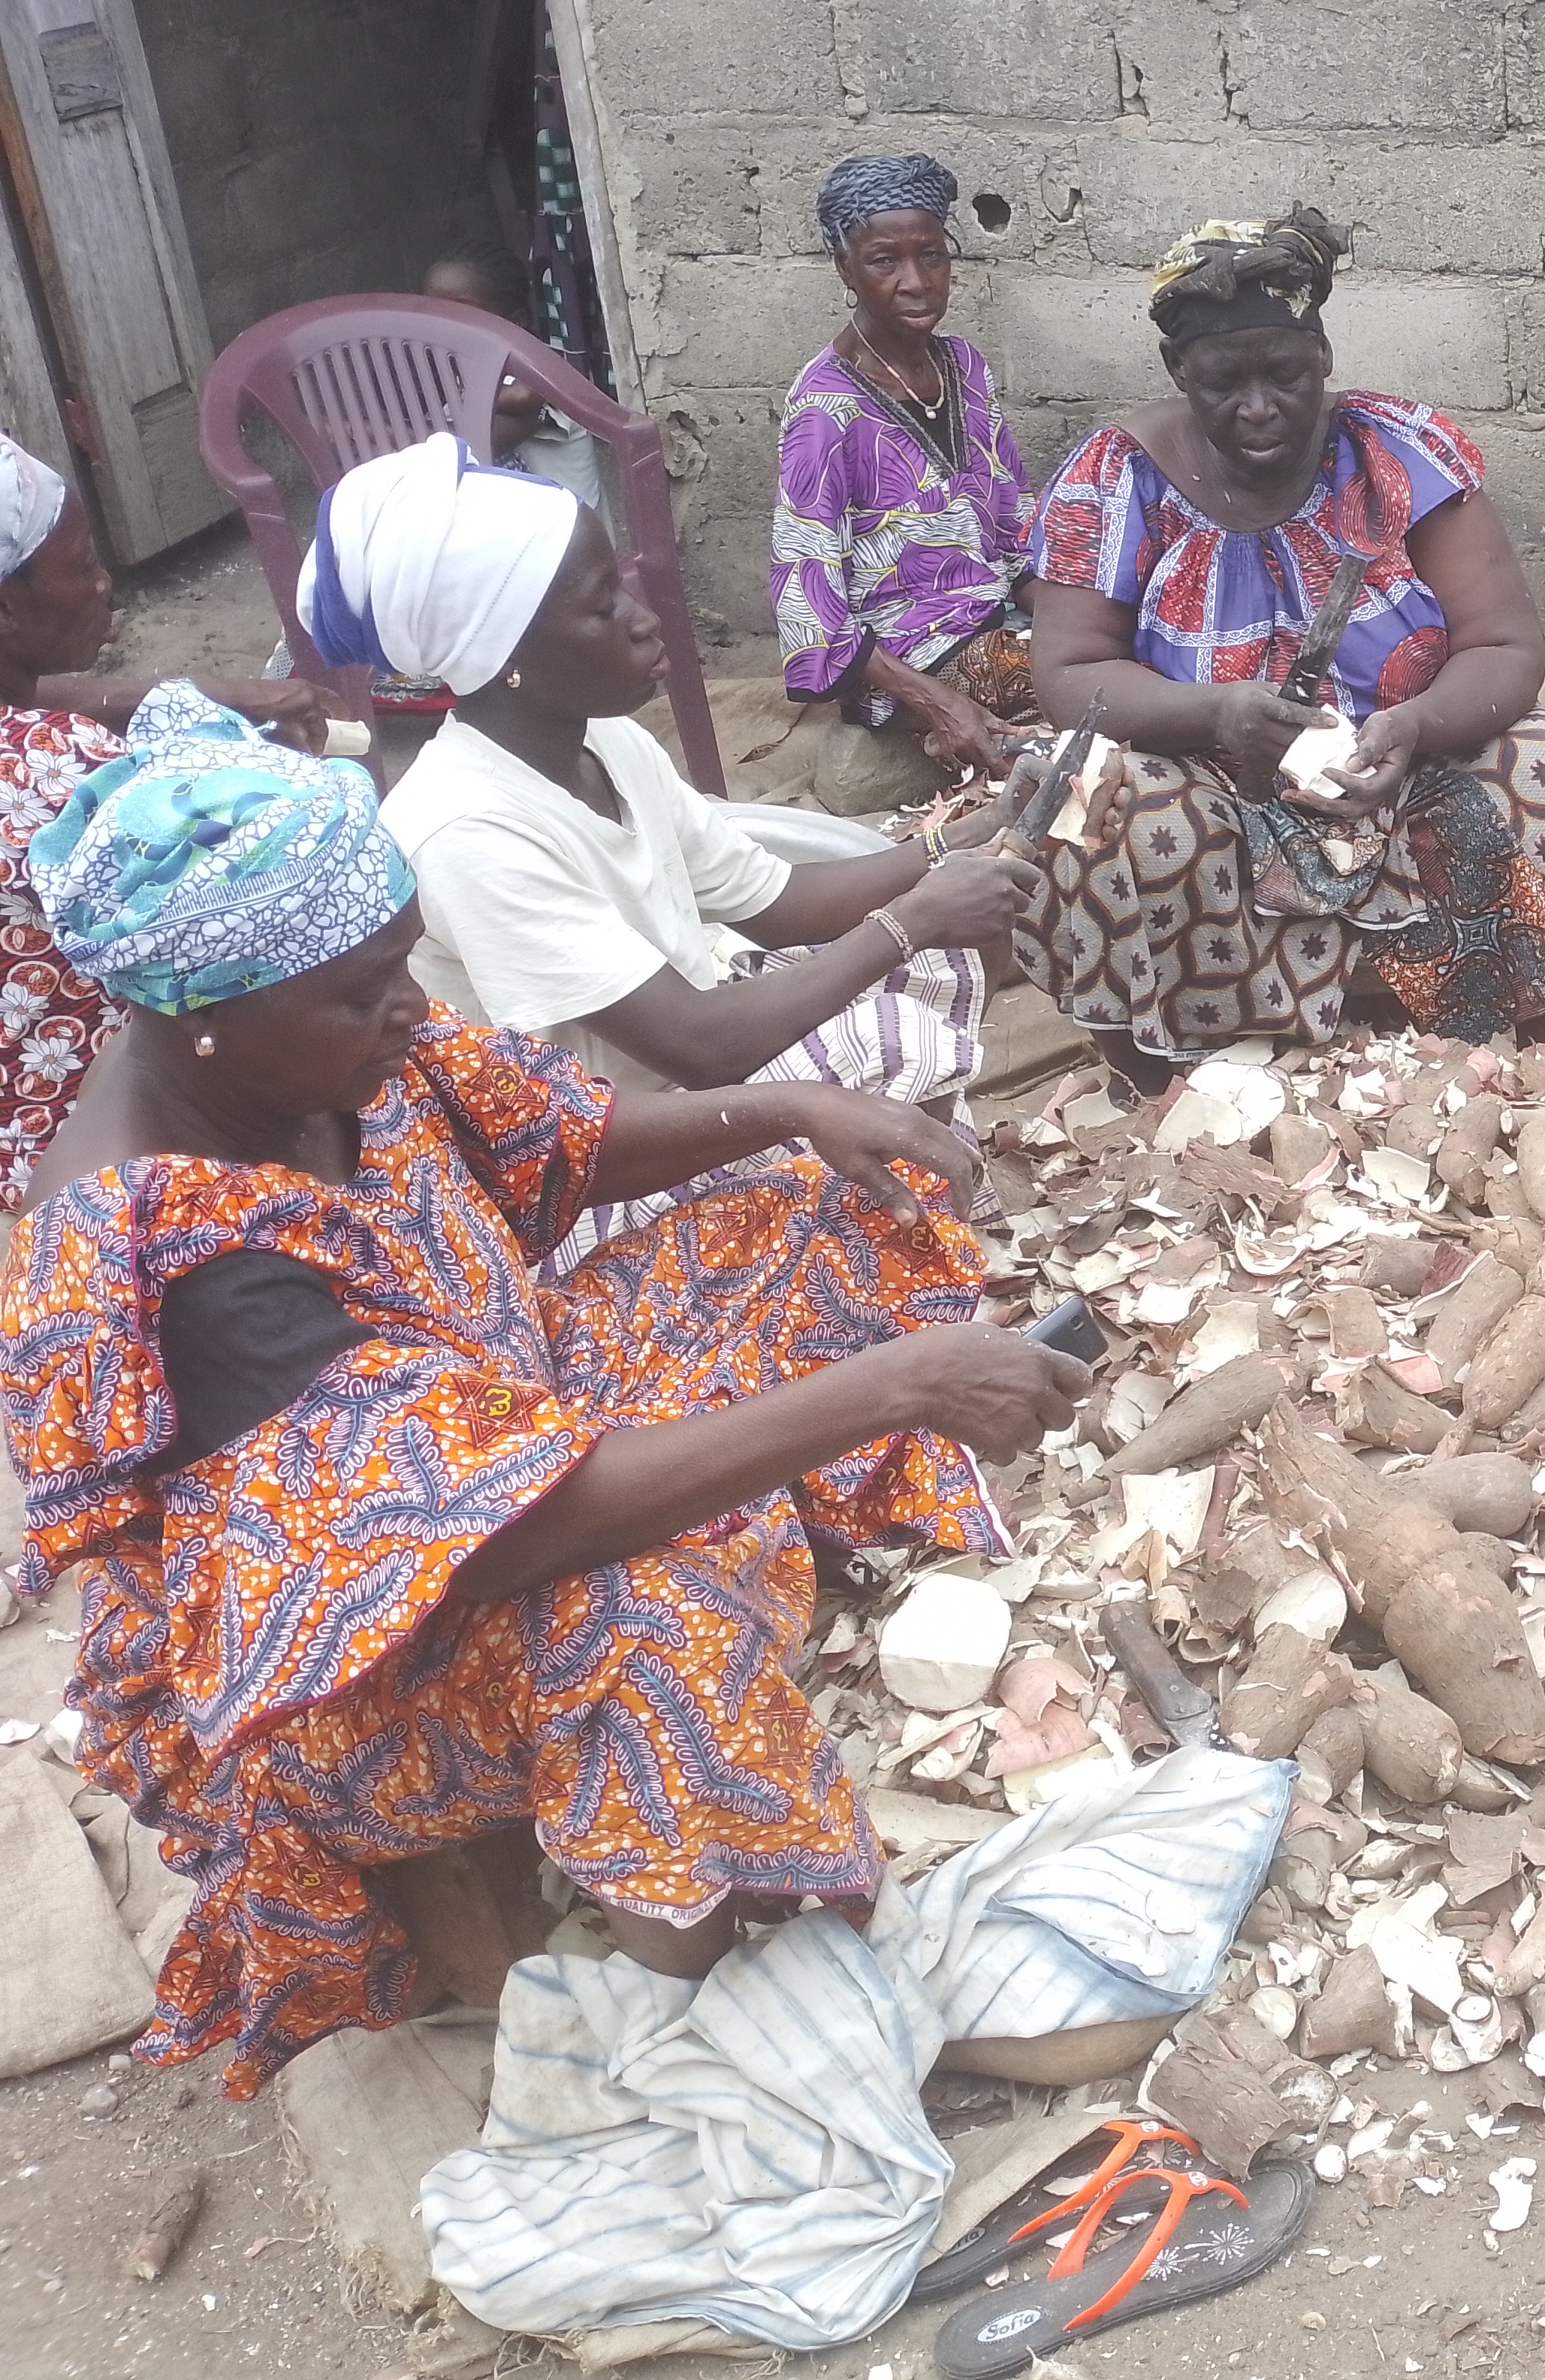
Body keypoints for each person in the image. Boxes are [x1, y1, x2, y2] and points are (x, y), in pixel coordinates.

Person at [0, 684, 1088, 2097]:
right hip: (357, 1659)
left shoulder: (317, 1025)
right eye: (364, 993)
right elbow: (499, 1541)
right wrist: (898, 1387)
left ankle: (768, 1535)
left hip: (508, 1411)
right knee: (643, 1620)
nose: (407, 1008)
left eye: (400, 966)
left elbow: (556, 1137)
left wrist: (786, 1108)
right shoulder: (176, 1254)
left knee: (801, 1211)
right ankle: (676, 2004)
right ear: (196, 1018)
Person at [1015, 208, 1545, 1077]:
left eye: (1288, 377)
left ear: (1325, 358)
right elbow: (1069, 675)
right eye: (1225, 381)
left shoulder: (1397, 454)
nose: (1260, 408)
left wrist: (1414, 728)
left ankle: (1532, 1063)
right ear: (1176, 368)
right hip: (1197, 765)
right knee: (1088, 810)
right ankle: (1166, 1080)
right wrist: (1216, 714)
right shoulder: (1115, 479)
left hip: (1396, 761)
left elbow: (1504, 644)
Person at [339, 438, 1031, 1131]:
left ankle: (908, 1197)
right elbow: (700, 1049)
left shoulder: (602, 737)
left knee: (954, 946)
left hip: (694, 1050)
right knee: (895, 1033)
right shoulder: (467, 831)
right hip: (605, 1146)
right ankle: (903, 1219)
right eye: (603, 605)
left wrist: (968, 835)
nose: (643, 619)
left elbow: (776, 901)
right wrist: (910, 920)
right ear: (505, 657)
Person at [0, 435, 330, 1201]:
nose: (103, 584)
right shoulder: (51, 771)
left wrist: (207, 694)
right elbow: (255, 906)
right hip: (126, 1152)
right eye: (82, 564)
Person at [774, 153, 1037, 775]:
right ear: (846, 267)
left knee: (1128, 638)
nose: (917, 281)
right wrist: (939, 702)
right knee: (1081, 684)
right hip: (907, 654)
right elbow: (804, 598)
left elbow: (1015, 527)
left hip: (999, 616)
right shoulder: (824, 409)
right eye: (885, 261)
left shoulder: (965, 367)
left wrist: (1080, 623)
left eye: (933, 255)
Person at [419, 247, 612, 516]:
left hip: (572, 549)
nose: (443, 324)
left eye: (462, 311)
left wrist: (358, 430)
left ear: (516, 321)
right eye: (432, 311)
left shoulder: (533, 372)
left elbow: (447, 449)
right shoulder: (461, 377)